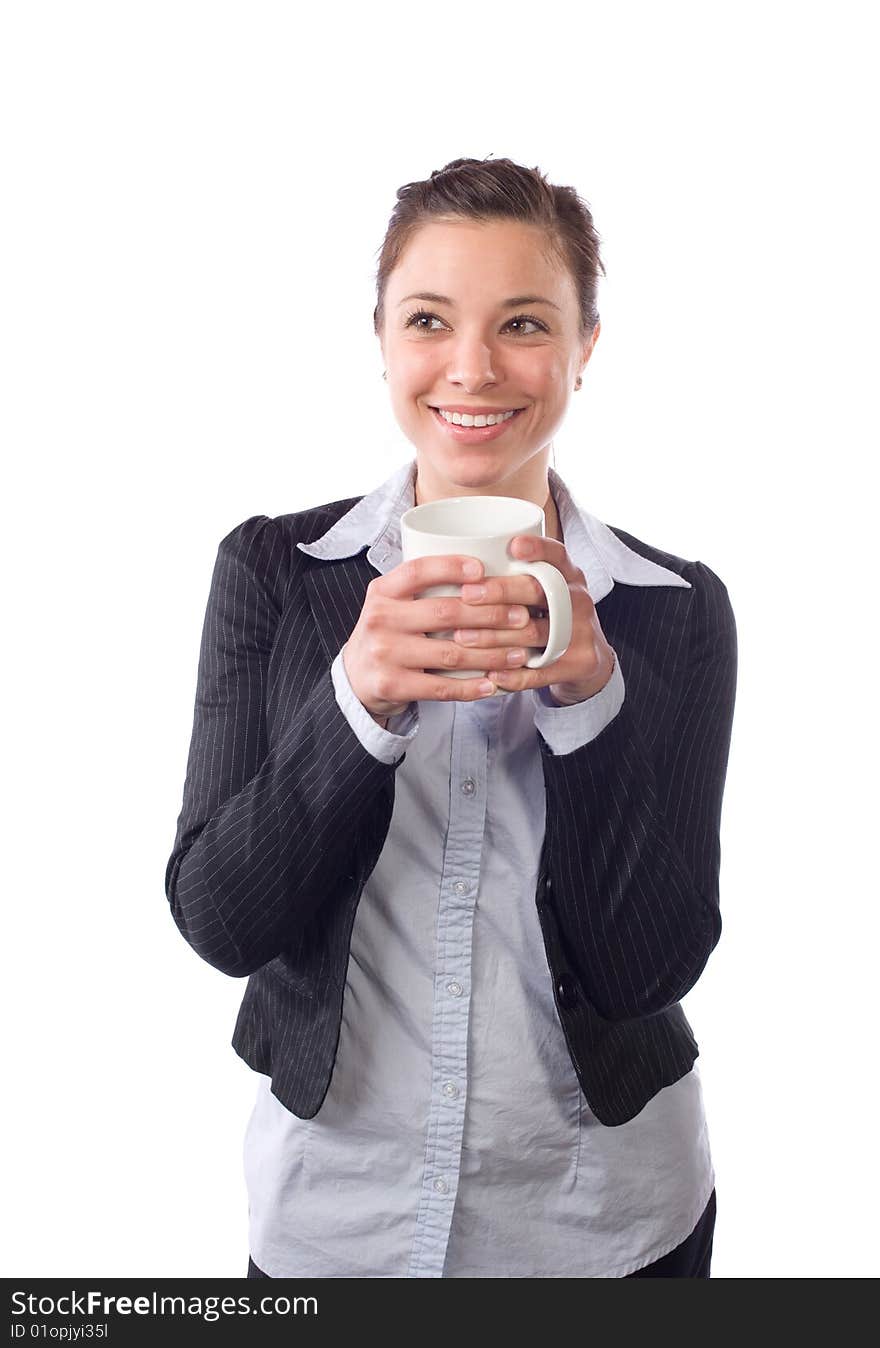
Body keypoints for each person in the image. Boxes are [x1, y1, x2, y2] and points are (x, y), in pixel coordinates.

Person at [165, 155, 737, 1279]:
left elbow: (650, 968)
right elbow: (218, 919)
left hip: (604, 1222)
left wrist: (588, 699)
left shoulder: (675, 610)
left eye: (524, 322)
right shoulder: (277, 571)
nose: (472, 367)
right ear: (381, 337)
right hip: (341, 1222)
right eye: (429, 318)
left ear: (585, 348)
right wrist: (357, 704)